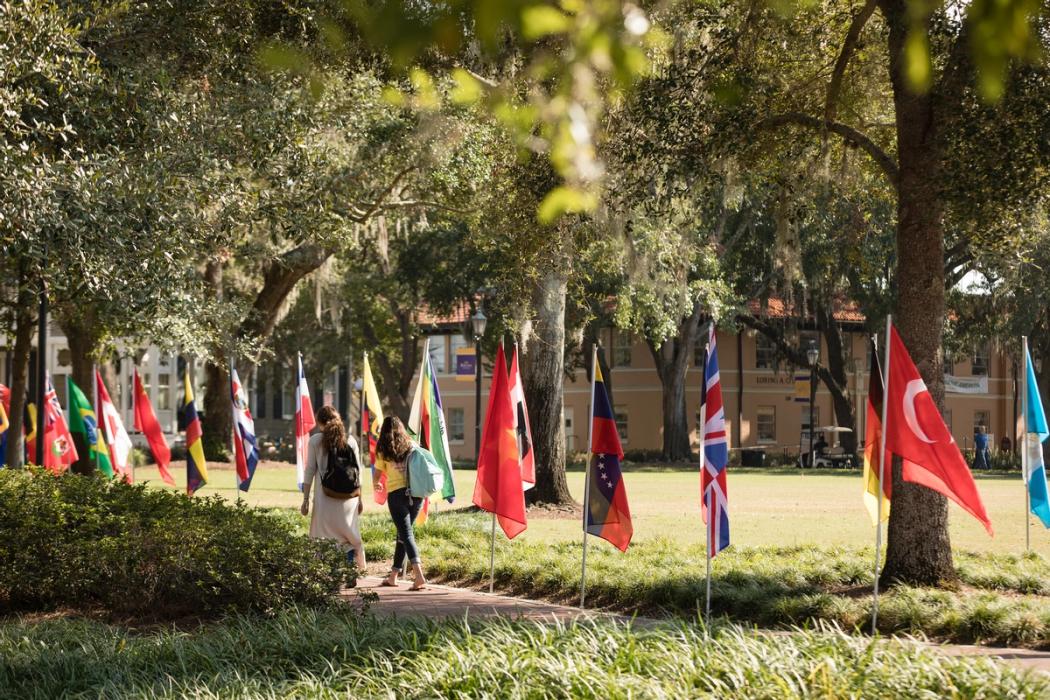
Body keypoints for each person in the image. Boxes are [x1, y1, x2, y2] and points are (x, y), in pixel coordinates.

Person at [301, 405, 366, 572]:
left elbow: (309, 471)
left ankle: (326, 571)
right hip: (349, 497)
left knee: (322, 534)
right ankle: (350, 567)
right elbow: (358, 471)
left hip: (325, 496)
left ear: (320, 423)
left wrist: (305, 499)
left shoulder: (315, 441)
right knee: (347, 534)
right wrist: (360, 499)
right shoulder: (350, 440)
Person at [373, 416, 428, 591]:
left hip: (397, 495)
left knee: (406, 534)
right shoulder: (411, 444)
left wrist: (377, 483)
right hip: (417, 494)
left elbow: (377, 474)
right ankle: (393, 576)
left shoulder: (383, 448)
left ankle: (419, 576)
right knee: (403, 534)